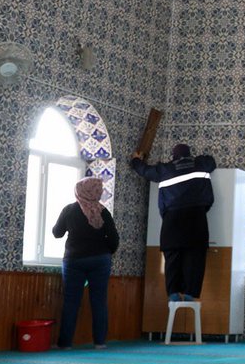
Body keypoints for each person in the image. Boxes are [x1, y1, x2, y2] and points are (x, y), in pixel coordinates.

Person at [130, 143, 216, 301]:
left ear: (173, 156)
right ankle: (190, 294)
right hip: (197, 219)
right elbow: (212, 161)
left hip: (172, 221)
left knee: (172, 259)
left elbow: (145, 171)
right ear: (189, 154)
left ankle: (173, 294)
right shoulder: (201, 164)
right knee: (195, 258)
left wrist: (136, 160)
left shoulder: (165, 169)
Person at [52, 176, 120, 349]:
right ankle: (100, 342)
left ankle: (65, 343)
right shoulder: (103, 211)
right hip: (100, 260)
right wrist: (105, 254)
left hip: (74, 260)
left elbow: (57, 233)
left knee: (71, 302)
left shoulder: (69, 210)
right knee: (99, 301)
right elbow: (114, 239)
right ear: (97, 191)